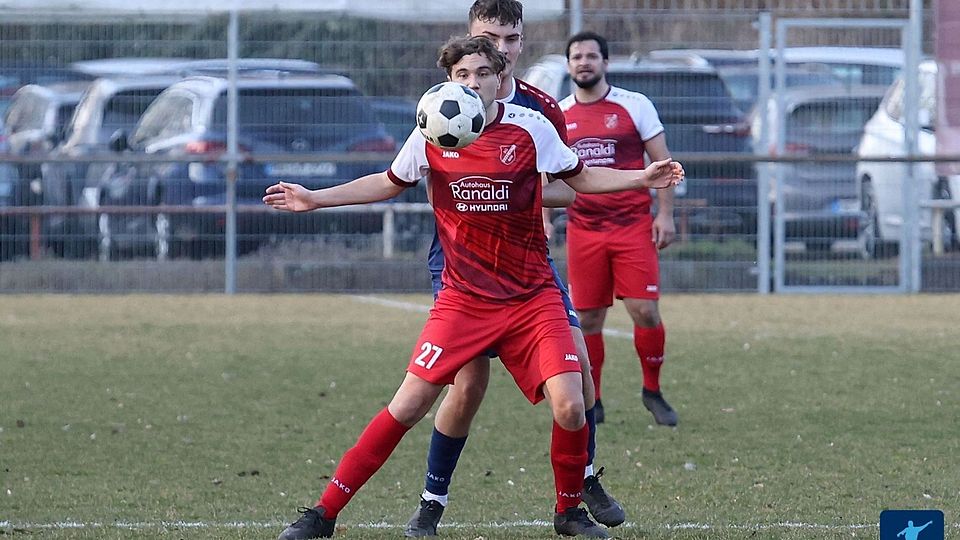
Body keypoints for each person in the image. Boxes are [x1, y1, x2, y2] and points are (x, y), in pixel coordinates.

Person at [266, 36, 683, 540]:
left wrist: (643, 177)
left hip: (532, 297)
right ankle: (323, 514)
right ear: (449, 79)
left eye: (482, 73)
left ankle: (568, 511)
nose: (472, 82)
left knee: (572, 404)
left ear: (499, 76)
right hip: (463, 298)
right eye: (462, 74)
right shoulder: (430, 129)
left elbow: (581, 180)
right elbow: (386, 181)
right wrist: (315, 198)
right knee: (408, 404)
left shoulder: (531, 127)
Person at [405, 1, 623, 537]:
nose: (500, 50)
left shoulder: (542, 110)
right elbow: (425, 176)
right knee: (468, 383)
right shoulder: (442, 104)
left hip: (528, 262)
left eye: (510, 39)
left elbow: (570, 187)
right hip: (460, 261)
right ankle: (432, 500)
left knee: (580, 374)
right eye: (489, 38)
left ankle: (584, 476)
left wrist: (524, 202)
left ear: (521, 43)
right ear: (470, 40)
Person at [559, 31, 680, 426]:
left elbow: (663, 164)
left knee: (644, 310)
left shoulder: (634, 105)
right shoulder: (559, 114)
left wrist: (664, 215)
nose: (584, 62)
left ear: (605, 62)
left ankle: (653, 391)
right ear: (568, 65)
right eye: (576, 56)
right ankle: (595, 401)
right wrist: (544, 219)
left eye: (591, 55)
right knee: (588, 320)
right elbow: (550, 174)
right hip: (583, 230)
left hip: (632, 226)